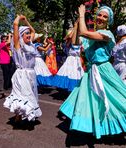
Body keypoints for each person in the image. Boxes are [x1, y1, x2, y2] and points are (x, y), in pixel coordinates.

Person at [59, 5, 126, 139]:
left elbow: (84, 33)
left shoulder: (107, 34)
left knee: (116, 98)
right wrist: (78, 21)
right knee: (88, 99)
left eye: (105, 16)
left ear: (109, 20)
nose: (101, 18)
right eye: (100, 15)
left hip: (103, 70)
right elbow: (77, 39)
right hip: (91, 70)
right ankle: (91, 125)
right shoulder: (93, 34)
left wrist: (82, 14)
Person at [3, 15, 42, 122]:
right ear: (21, 36)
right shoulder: (18, 46)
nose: (29, 35)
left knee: (30, 95)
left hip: (31, 74)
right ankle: (19, 115)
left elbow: (33, 31)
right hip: (22, 74)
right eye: (26, 33)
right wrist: (19, 18)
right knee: (23, 95)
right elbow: (15, 25)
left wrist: (26, 21)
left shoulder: (31, 45)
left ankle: (20, 115)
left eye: (29, 33)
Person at [51, 21, 84, 91]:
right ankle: (69, 90)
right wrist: (75, 26)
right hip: (70, 61)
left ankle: (75, 91)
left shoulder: (79, 42)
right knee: (70, 74)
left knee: (76, 75)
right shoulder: (68, 42)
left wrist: (78, 27)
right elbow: (70, 36)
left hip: (77, 61)